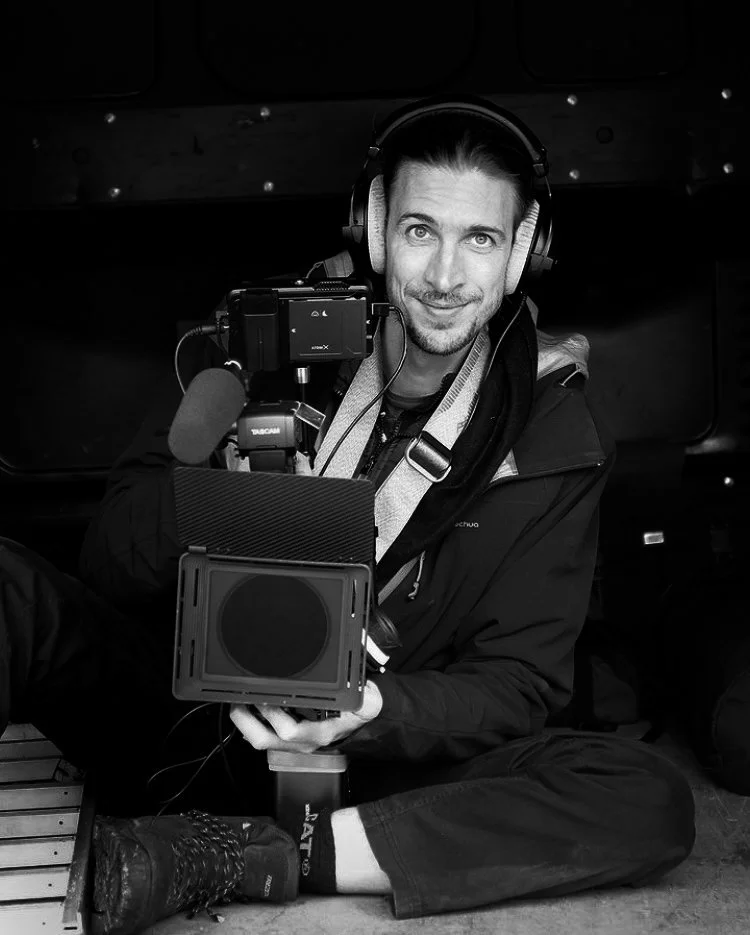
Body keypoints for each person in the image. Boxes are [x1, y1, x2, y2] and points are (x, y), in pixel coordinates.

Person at [0, 95, 695, 933]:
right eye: (419, 231)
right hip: (191, 721)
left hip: (380, 763)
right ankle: (236, 828)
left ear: (521, 252)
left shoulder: (555, 432)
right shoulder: (255, 343)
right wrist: (238, 486)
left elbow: (519, 685)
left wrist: (371, 712)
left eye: (479, 238)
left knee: (647, 796)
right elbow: (108, 561)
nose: (444, 277)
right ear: (373, 228)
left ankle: (251, 855)